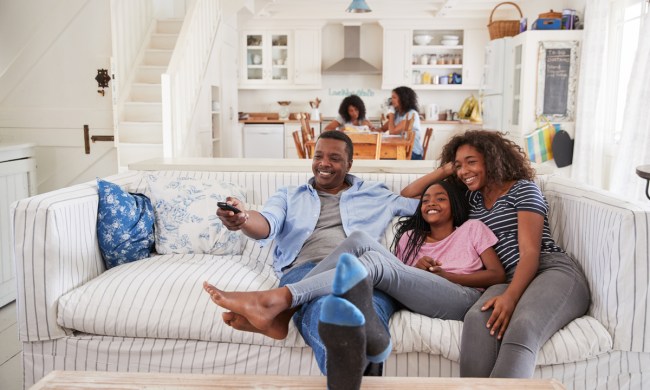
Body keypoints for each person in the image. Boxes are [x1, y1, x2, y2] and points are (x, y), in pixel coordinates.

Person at [205, 179, 505, 388]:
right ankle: (283, 309)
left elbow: (497, 275)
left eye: (440, 198)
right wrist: (419, 269)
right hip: (429, 293)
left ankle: (279, 302)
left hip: (464, 296)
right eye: (425, 200)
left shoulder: (472, 229)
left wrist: (444, 275)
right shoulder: (411, 238)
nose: (430, 203)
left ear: (453, 203)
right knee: (359, 239)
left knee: (372, 264)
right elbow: (404, 280)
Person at [209, 130, 419, 376]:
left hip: (365, 273)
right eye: (318, 156)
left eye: (334, 158)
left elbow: (429, 206)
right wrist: (243, 218)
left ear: (349, 164)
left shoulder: (376, 194)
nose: (324, 164)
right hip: (306, 272)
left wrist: (448, 170)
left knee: (367, 315)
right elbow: (266, 223)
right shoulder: (289, 195)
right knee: (326, 310)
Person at [400, 130, 591, 378]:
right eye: (459, 165)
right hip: (505, 277)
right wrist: (447, 169)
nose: (464, 171)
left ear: (492, 159)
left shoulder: (523, 190)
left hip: (549, 269)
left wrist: (510, 297)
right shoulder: (472, 198)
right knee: (478, 320)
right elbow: (409, 194)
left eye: (471, 162)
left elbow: (530, 252)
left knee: (523, 327)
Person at [380, 86, 423, 160]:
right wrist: (370, 128)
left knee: (382, 156)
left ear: (403, 99)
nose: (392, 100)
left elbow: (392, 132)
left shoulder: (411, 114)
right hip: (402, 149)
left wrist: (391, 115)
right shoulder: (398, 114)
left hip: (412, 153)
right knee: (382, 154)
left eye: (394, 97)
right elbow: (383, 129)